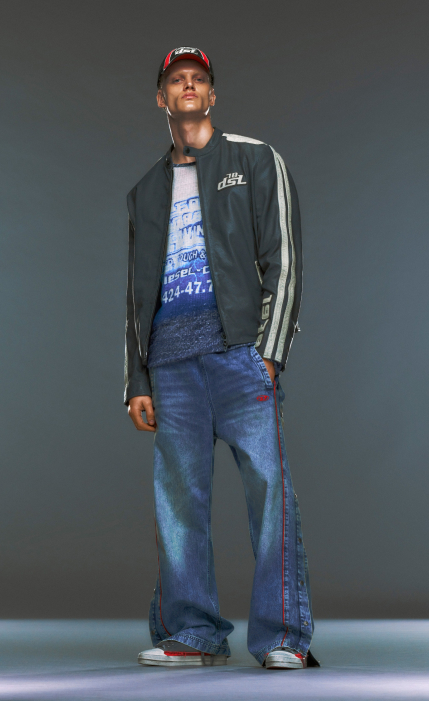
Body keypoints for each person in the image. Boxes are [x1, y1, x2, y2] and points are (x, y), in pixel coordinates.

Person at [124, 47, 319, 670]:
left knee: (270, 495)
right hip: (171, 367)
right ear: (162, 98)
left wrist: (270, 354)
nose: (188, 86)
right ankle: (193, 633)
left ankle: (283, 637)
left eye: (198, 79)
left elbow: (284, 259)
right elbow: (136, 293)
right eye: (176, 80)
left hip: (240, 357)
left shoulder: (255, 160)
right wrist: (136, 379)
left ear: (212, 95)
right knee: (180, 507)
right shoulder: (144, 191)